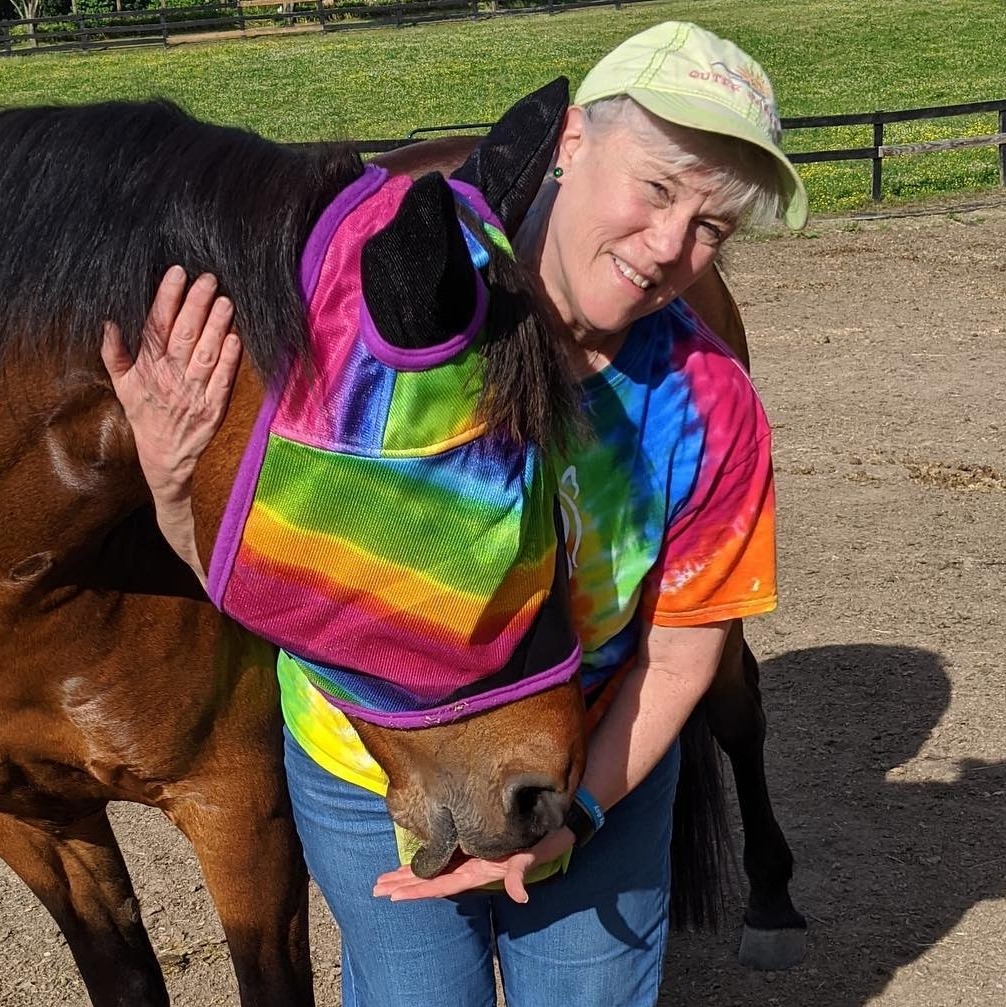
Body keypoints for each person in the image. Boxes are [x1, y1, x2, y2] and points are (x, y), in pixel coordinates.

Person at [102, 21, 808, 1007]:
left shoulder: (710, 408)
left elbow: (687, 651)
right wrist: (175, 482)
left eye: (712, 226)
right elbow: (276, 588)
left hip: (584, 761)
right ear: (568, 142)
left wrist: (585, 810)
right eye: (656, 188)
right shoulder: (362, 325)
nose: (670, 248)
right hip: (365, 762)